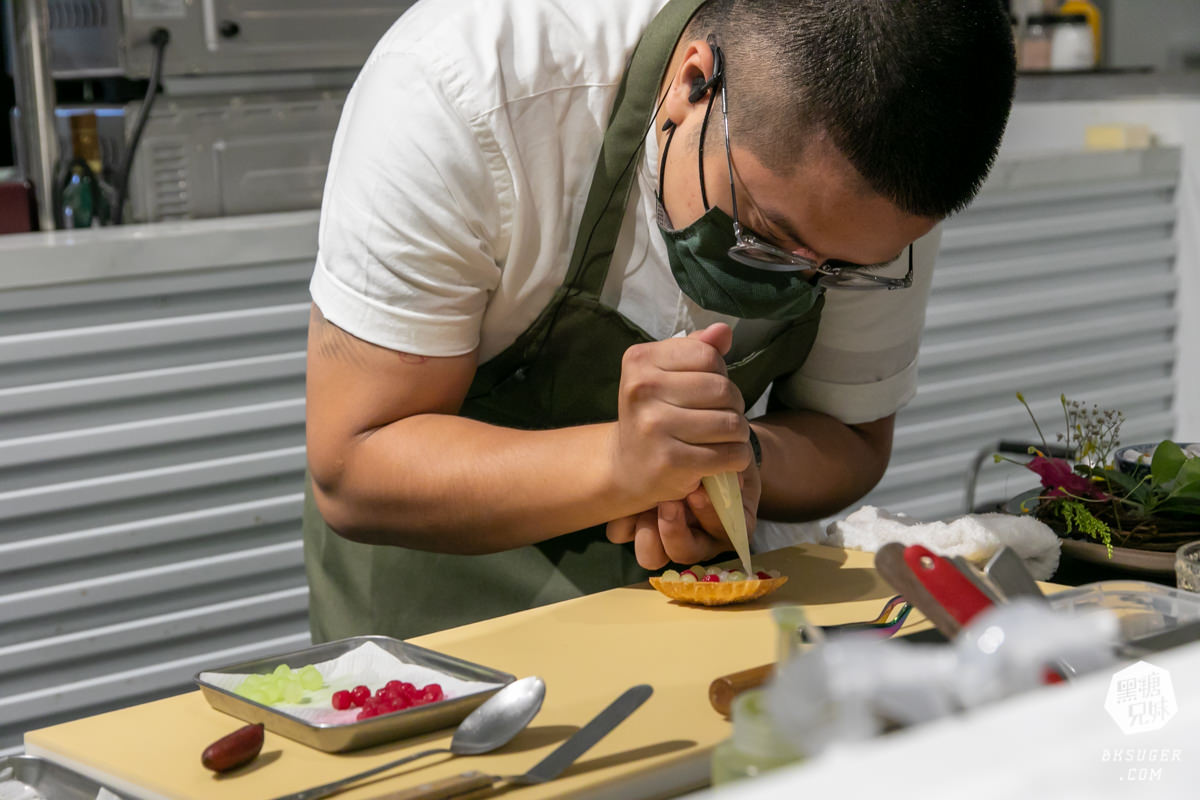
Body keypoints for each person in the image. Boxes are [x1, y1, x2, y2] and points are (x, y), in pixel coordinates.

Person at [303, 0, 1016, 642]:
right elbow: (354, 463)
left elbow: (853, 436)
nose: (805, 277)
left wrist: (739, 460)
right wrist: (621, 465)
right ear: (693, 84)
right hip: (440, 654)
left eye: (843, 269)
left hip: (686, 645)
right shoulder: (463, 90)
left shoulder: (881, 189)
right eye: (765, 236)